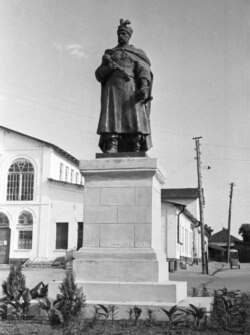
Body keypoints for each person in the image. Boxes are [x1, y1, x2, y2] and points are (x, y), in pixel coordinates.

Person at [95, 19, 153, 153]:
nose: (121, 36)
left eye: (124, 34)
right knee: (112, 117)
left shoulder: (137, 53)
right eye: (119, 34)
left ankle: (135, 144)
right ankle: (112, 144)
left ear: (129, 36)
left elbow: (144, 70)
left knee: (133, 117)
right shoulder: (110, 53)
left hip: (130, 88)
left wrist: (144, 86)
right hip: (112, 90)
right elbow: (99, 75)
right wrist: (108, 67)